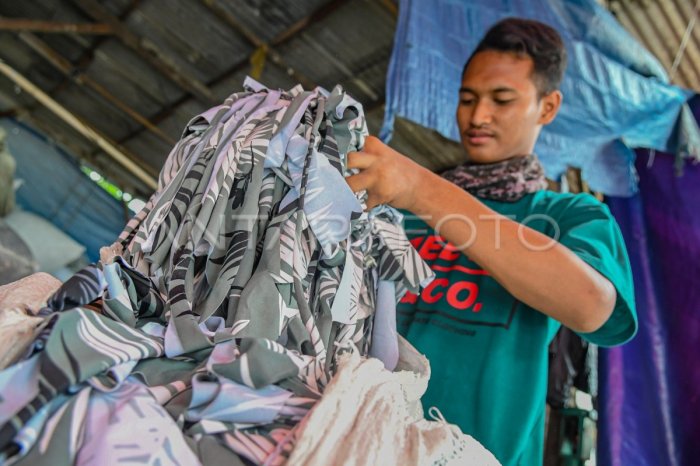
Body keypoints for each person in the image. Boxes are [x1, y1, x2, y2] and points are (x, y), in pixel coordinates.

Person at [347, 18, 637, 466]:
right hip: (359, 441)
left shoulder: (570, 215)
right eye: (467, 99)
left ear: (547, 107)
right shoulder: (398, 205)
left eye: (502, 99)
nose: (477, 117)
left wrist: (422, 190)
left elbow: (592, 306)